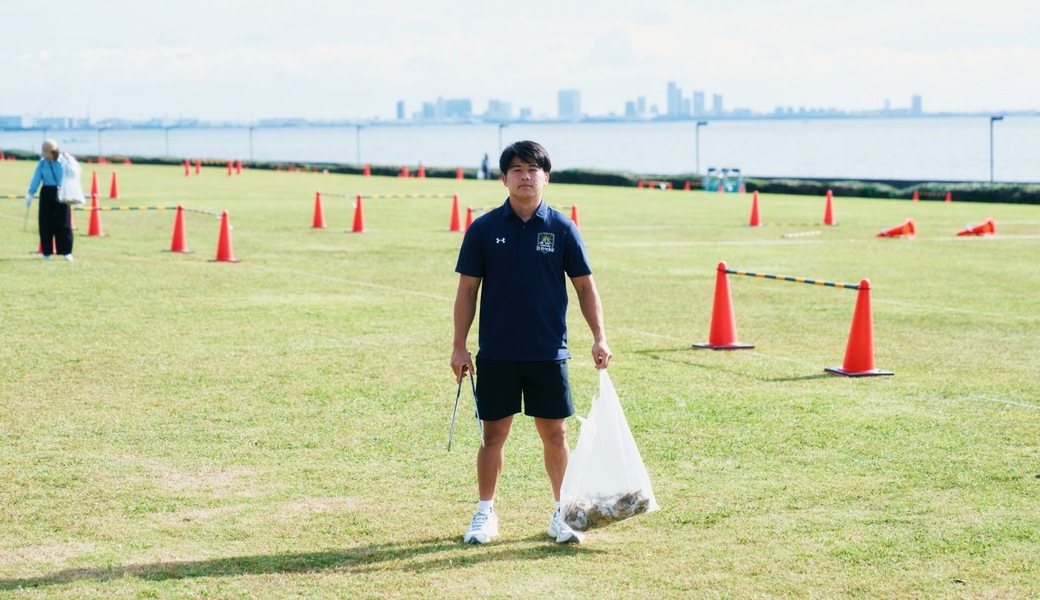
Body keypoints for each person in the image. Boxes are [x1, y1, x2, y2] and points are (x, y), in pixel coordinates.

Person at [451, 140, 612, 545]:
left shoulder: (562, 228)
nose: (525, 176)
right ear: (504, 179)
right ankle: (485, 513)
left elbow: (585, 287)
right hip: (497, 353)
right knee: (492, 436)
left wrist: (599, 337)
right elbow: (467, 290)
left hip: (548, 352)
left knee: (555, 435)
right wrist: (458, 345)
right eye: (517, 169)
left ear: (546, 177)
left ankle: (564, 513)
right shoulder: (484, 229)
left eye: (533, 169)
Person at [26, 139, 75, 261]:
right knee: (45, 222)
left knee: (63, 223)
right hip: (47, 192)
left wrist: (71, 160)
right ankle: (47, 252)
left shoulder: (65, 161)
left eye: (48, 154)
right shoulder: (43, 163)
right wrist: (31, 193)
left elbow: (74, 174)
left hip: (62, 193)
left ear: (54, 152)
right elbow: (37, 177)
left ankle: (66, 251)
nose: (46, 156)